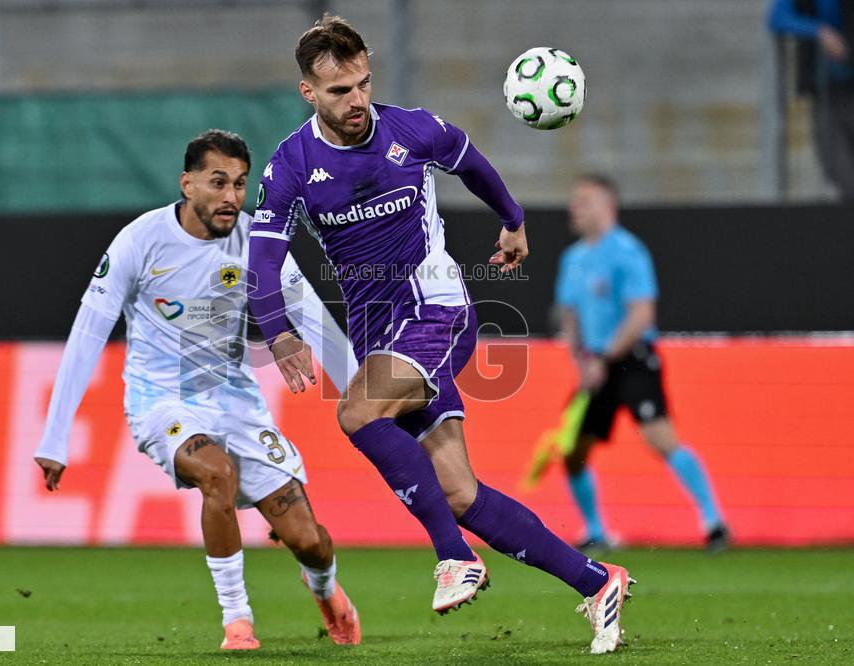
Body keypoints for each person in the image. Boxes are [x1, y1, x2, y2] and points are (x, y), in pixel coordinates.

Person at [247, 14, 634, 654]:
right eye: (340, 91)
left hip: (437, 310)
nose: (357, 101)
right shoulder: (291, 166)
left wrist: (512, 219)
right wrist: (279, 332)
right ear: (308, 94)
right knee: (458, 491)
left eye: (363, 84)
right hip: (378, 336)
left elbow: (472, 163)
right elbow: (261, 261)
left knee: (357, 411)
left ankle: (454, 558)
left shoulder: (413, 129)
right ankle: (597, 583)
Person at [33, 129, 361, 650]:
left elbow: (314, 321)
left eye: (239, 183)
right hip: (160, 399)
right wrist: (55, 436)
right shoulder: (139, 241)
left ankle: (324, 590)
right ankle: (238, 620)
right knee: (217, 475)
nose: (231, 196)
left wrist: (364, 397)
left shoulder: (258, 243)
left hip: (237, 402)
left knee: (309, 541)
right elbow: (88, 332)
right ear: (187, 184)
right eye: (217, 182)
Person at [556, 174, 730, 553]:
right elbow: (569, 317)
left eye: (583, 201)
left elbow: (641, 315)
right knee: (571, 450)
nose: (575, 209)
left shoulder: (627, 251)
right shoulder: (572, 259)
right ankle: (596, 530)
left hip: (631, 361)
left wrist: (604, 357)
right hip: (594, 369)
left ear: (606, 205)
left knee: (660, 437)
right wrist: (582, 362)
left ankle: (714, 522)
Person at [768, 0, 854, 199]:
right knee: (837, 163)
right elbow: (777, 18)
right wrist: (819, 32)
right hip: (825, 92)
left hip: (850, 87)